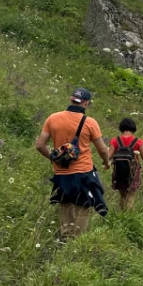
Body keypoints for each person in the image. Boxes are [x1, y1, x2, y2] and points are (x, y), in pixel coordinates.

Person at [35, 87, 110, 240]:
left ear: (71, 99)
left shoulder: (53, 118)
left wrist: (53, 158)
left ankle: (65, 237)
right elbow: (102, 149)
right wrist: (106, 162)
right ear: (86, 104)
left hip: (61, 172)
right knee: (83, 206)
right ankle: (76, 240)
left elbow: (39, 145)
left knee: (65, 204)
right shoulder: (90, 123)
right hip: (84, 172)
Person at [109, 117, 143, 211]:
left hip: (118, 171)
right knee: (131, 196)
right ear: (133, 128)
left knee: (122, 195)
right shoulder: (137, 141)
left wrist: (106, 164)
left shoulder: (115, 140)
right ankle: (129, 217)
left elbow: (109, 156)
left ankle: (121, 215)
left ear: (121, 127)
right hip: (133, 172)